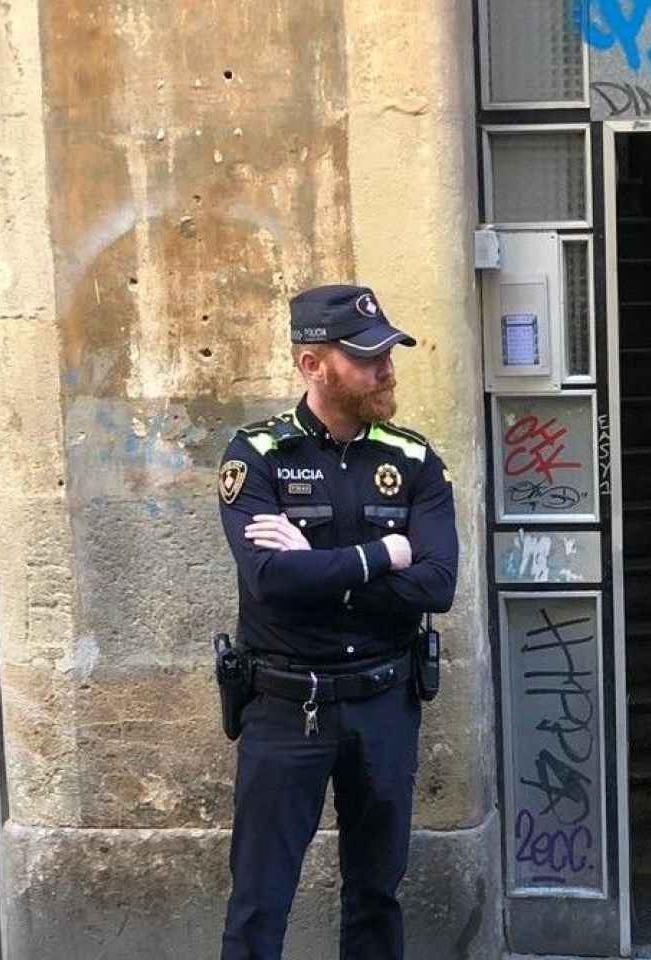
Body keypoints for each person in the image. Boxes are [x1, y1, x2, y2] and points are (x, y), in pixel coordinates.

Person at [216, 283, 457, 960]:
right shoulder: (258, 456)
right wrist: (383, 555)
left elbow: (438, 583)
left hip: (384, 704)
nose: (385, 368)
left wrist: (322, 571)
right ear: (312, 365)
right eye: (366, 357)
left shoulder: (412, 460)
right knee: (259, 905)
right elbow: (270, 582)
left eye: (387, 353)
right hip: (286, 708)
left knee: (377, 897)